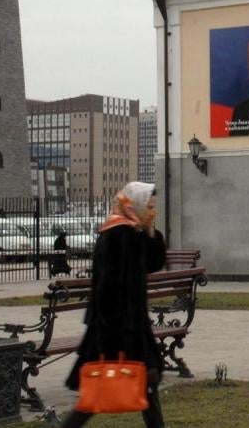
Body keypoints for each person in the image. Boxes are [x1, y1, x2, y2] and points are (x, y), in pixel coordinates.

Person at [63, 182, 167, 428]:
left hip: (132, 326)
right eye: (149, 207)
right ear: (134, 205)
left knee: (148, 381)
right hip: (118, 329)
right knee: (95, 395)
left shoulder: (133, 232)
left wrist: (151, 231)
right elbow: (107, 290)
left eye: (154, 207)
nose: (152, 211)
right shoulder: (118, 235)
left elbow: (153, 264)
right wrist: (113, 335)